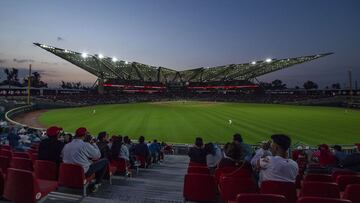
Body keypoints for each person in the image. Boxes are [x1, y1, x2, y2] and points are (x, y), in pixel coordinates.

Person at [62, 127, 108, 192]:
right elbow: (98, 155)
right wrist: (94, 144)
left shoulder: (66, 145)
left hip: (68, 172)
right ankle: (97, 183)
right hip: (82, 172)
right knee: (105, 161)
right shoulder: (85, 145)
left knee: (90, 162)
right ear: (85, 135)